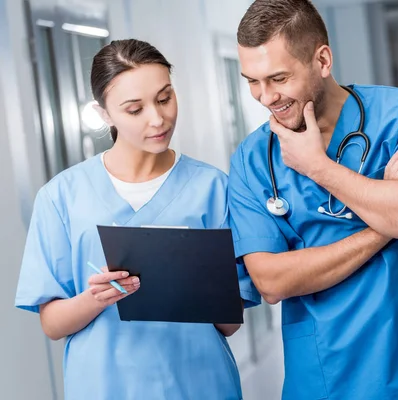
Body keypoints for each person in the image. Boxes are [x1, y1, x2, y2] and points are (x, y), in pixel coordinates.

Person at [229, 1, 398, 399]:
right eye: (252, 81)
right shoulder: (253, 160)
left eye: (278, 78)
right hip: (331, 369)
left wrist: (318, 168)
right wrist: (385, 219)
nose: (265, 97)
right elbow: (271, 281)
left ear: (322, 59)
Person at [14, 39, 259, 400]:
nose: (158, 119)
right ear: (104, 114)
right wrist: (96, 298)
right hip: (104, 386)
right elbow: (51, 323)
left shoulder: (213, 188)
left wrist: (196, 285)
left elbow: (229, 323)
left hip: (199, 384)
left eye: (164, 98)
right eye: (134, 109)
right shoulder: (61, 196)